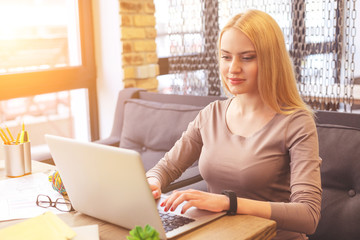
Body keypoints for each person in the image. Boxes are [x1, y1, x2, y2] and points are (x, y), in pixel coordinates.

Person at [146, 9, 322, 240]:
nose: (233, 68)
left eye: (247, 57)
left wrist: (229, 203)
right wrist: (152, 183)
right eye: (226, 57)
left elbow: (308, 215)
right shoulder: (212, 114)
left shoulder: (297, 122)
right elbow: (165, 168)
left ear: (271, 60)